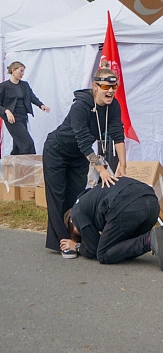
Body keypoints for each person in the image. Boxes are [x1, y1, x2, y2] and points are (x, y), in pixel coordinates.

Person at [43, 68, 127, 258]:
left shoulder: (113, 106)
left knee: (76, 197)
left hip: (79, 156)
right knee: (57, 197)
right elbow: (82, 140)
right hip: (57, 150)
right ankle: (61, 241)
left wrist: (123, 164)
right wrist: (101, 169)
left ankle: (75, 237)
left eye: (113, 86)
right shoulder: (81, 106)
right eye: (105, 86)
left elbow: (118, 134)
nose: (110, 91)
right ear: (95, 86)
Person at [60, 176, 163, 270]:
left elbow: (94, 249)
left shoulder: (76, 213)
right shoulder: (89, 198)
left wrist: (77, 246)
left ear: (71, 221)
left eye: (76, 231)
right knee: (123, 245)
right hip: (152, 201)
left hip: (126, 206)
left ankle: (149, 240)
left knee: (103, 254)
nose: (81, 233)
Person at [0, 61, 50, 156]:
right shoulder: (4, 86)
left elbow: (32, 97)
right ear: (13, 71)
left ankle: (14, 163)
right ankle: (29, 164)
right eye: (21, 71)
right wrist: (6, 111)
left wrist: (41, 105)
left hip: (23, 117)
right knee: (27, 144)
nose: (22, 74)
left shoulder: (25, 85)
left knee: (18, 146)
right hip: (12, 119)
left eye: (23, 71)